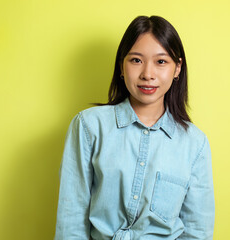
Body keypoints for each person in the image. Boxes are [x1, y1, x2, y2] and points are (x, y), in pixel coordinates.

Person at [54, 15, 215, 240]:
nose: (147, 74)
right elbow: (70, 220)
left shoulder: (194, 143)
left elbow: (197, 231)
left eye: (161, 62)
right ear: (122, 65)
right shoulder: (89, 127)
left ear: (177, 68)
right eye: (136, 60)